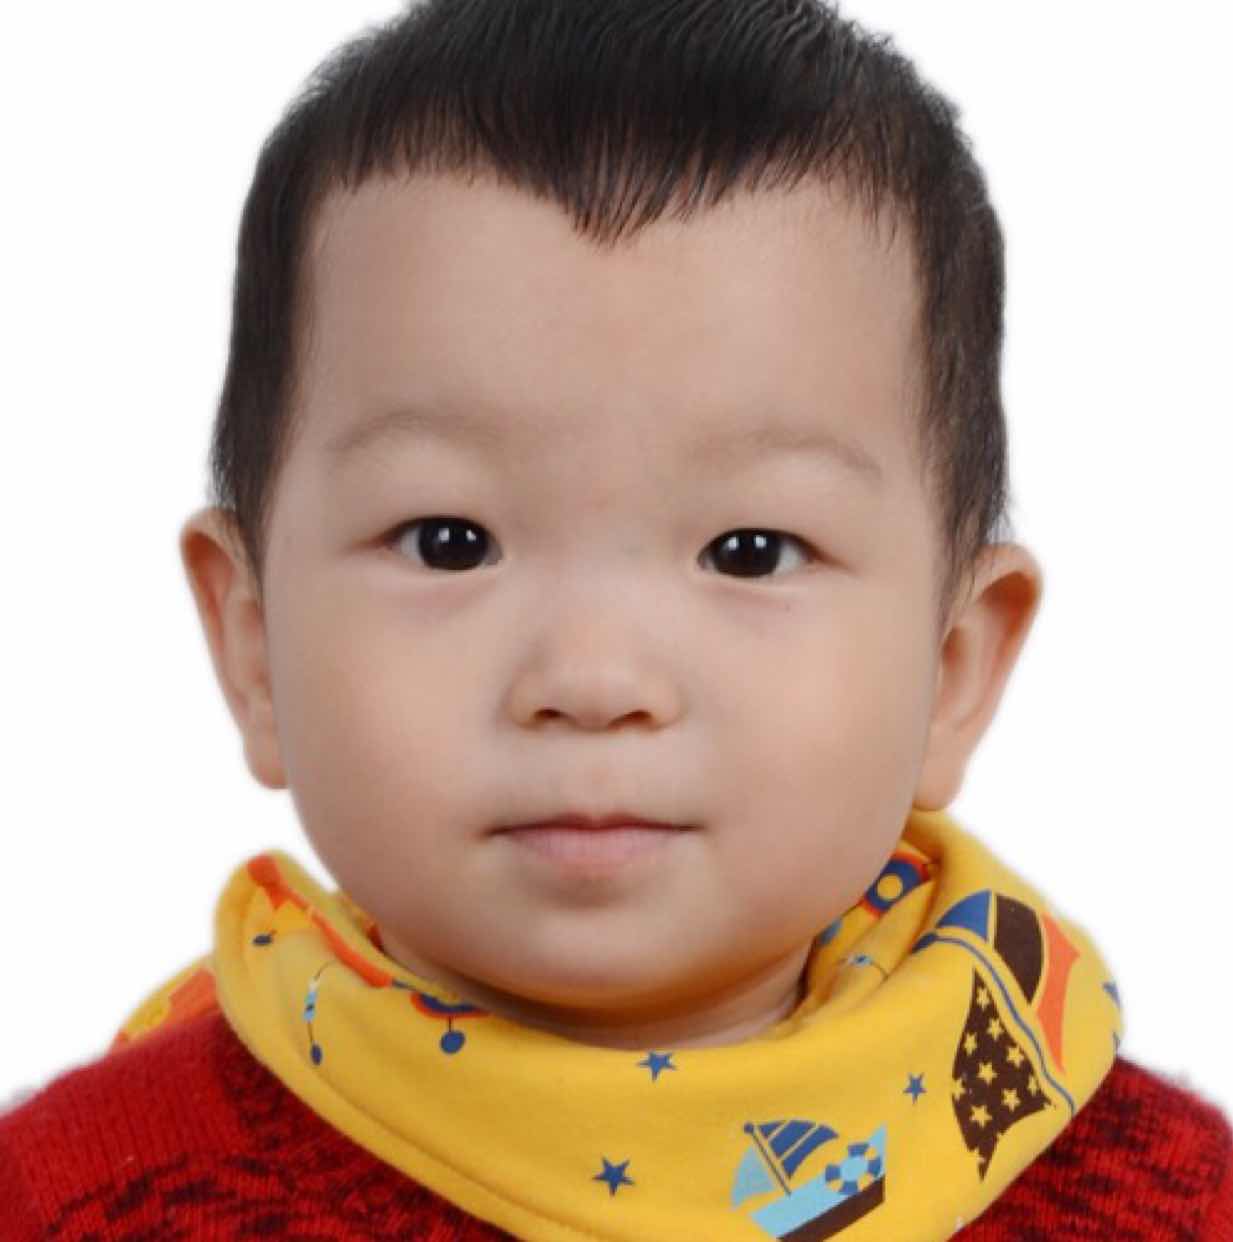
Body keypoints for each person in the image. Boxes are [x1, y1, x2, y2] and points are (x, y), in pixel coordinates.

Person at [2, 0, 1229, 1237]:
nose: (593, 679)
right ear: (253, 644)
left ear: (954, 668)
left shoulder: (1170, 1206)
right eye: (449, 542)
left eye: (750, 553)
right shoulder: (84, 1200)